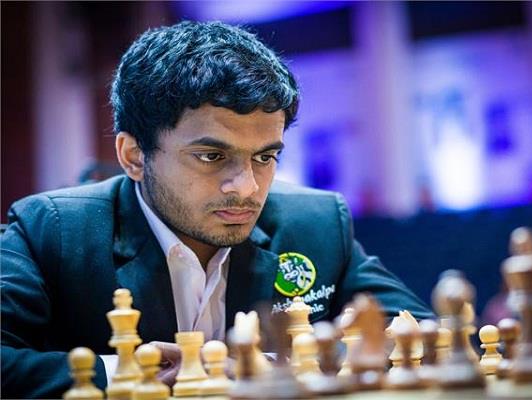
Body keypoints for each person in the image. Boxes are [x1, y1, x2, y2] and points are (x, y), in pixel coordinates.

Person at [1, 21, 433, 398]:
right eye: (211, 156)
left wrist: (266, 365)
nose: (247, 187)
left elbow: (425, 334)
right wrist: (135, 372)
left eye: (265, 156)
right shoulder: (51, 230)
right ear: (133, 155)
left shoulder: (316, 224)